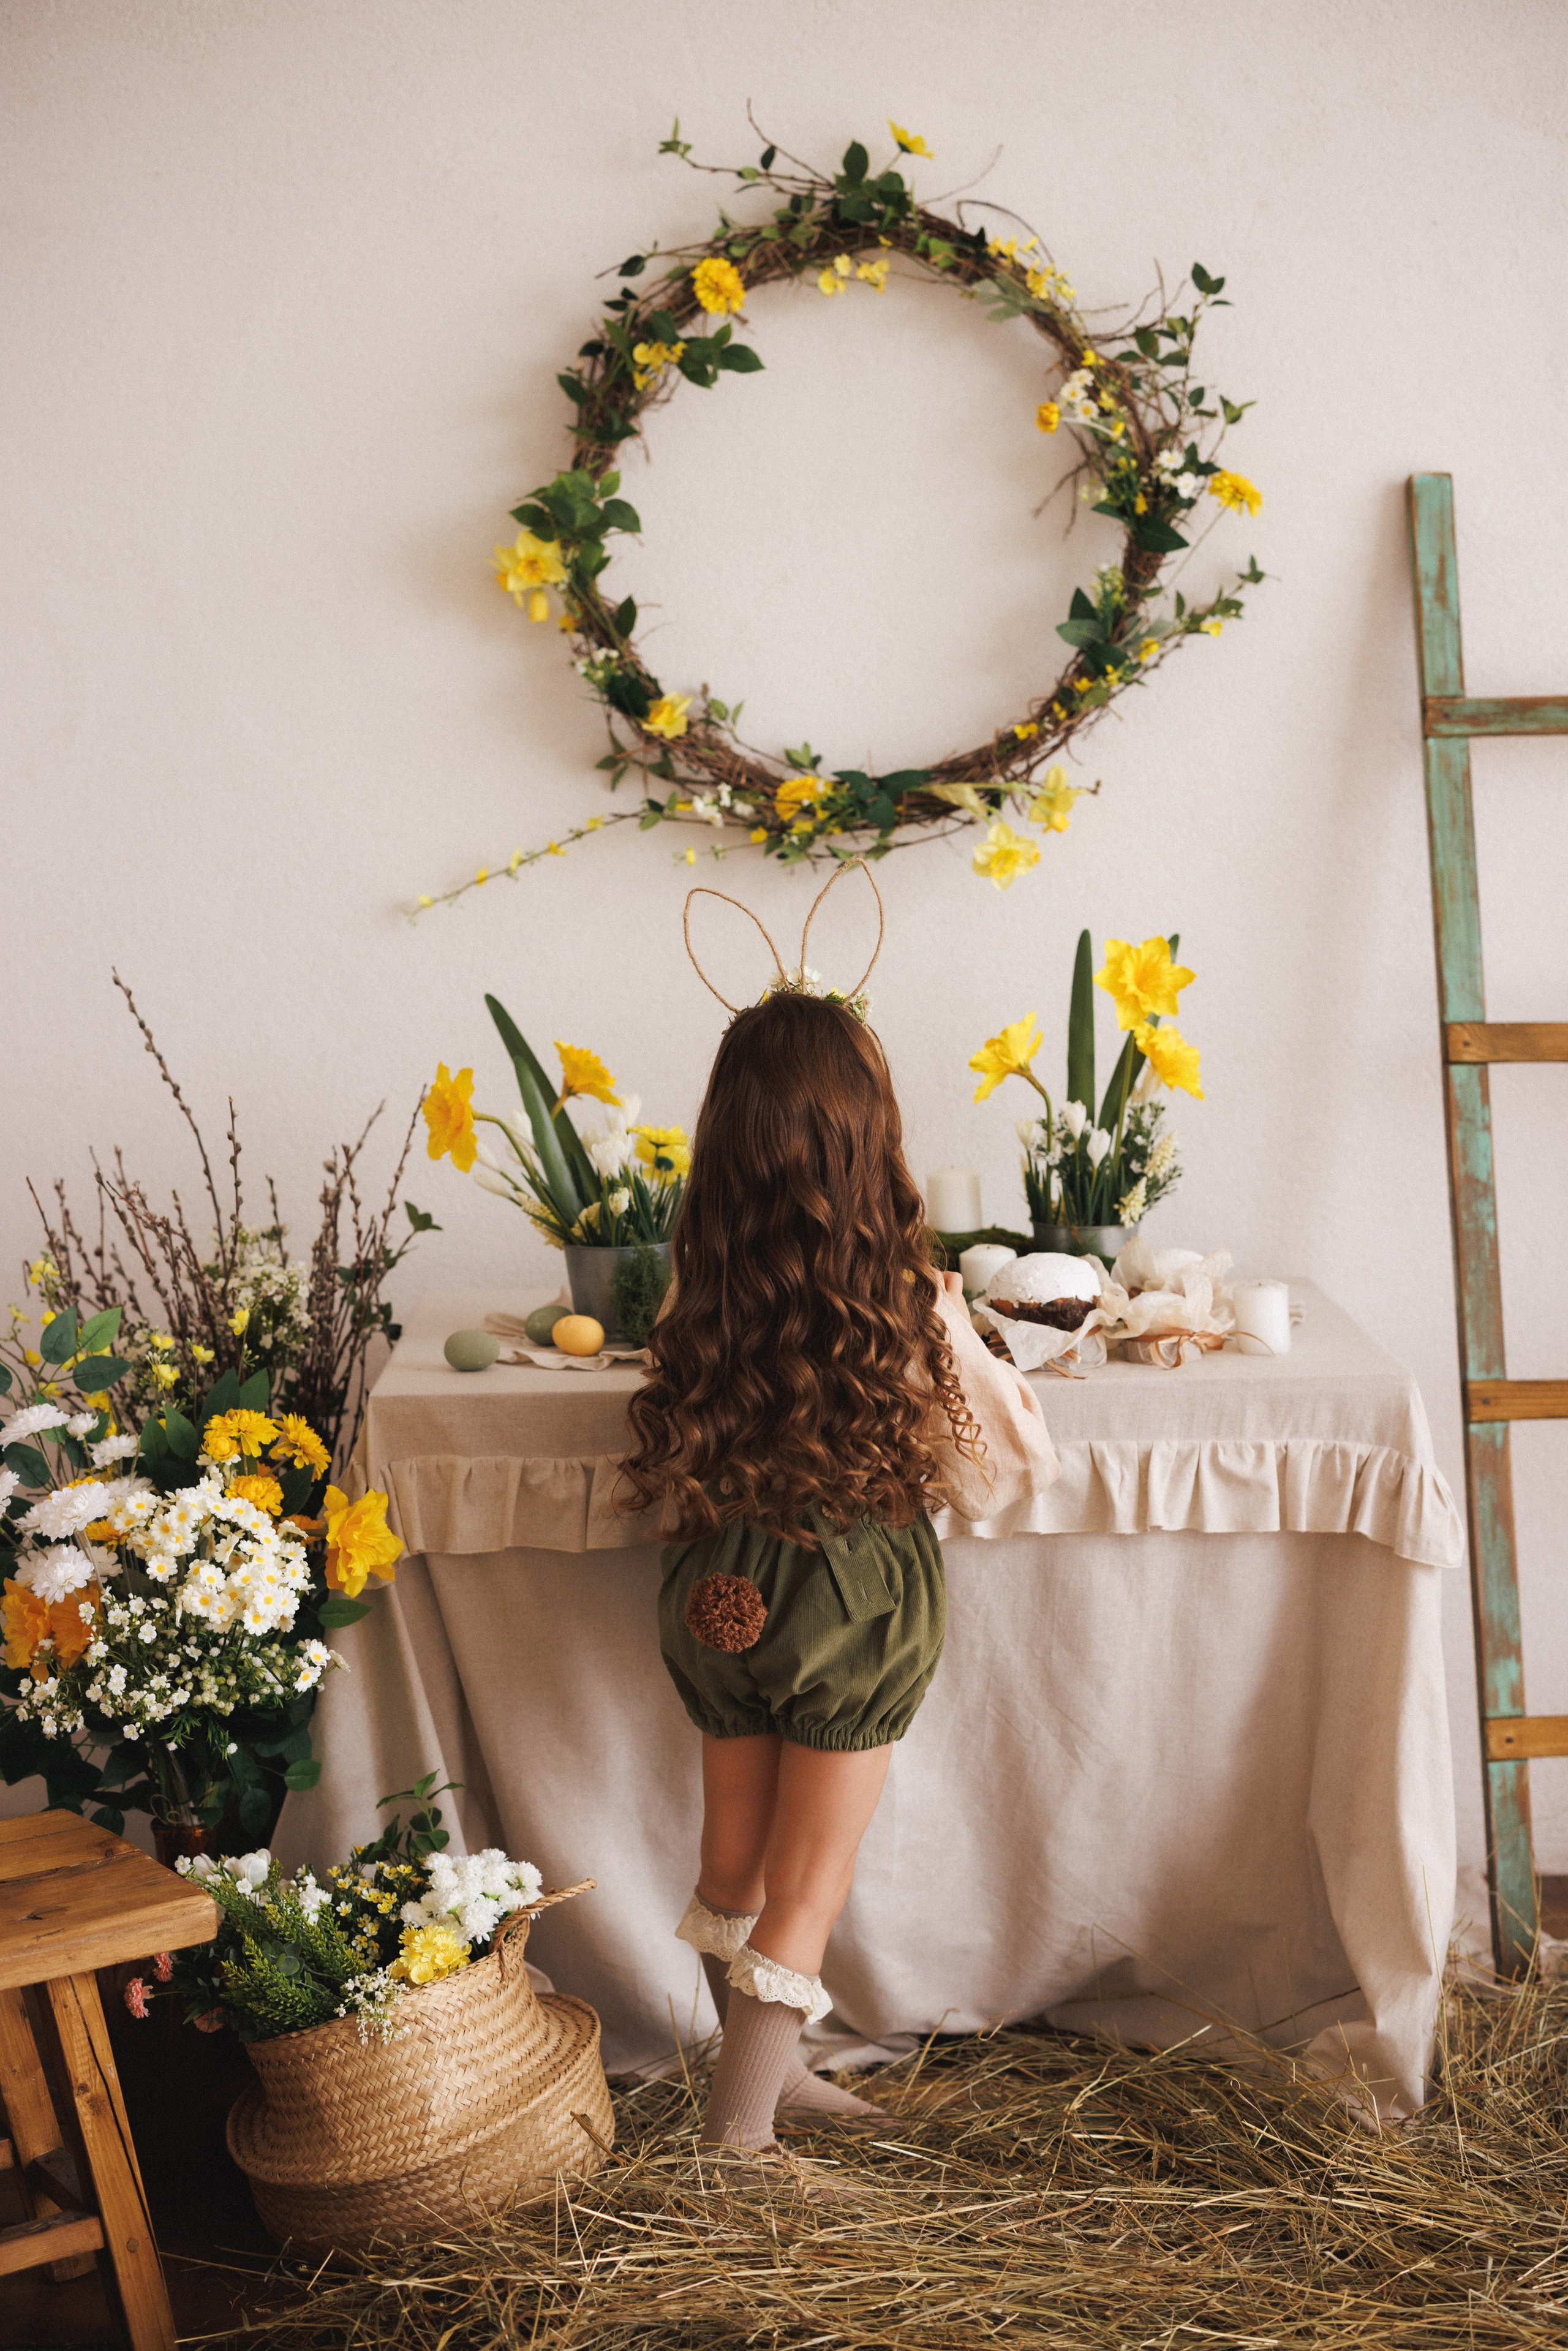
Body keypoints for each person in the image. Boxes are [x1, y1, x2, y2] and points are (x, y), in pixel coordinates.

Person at [622, 893, 1060, 2164]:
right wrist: (975, 1345)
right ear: (867, 1148)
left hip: (717, 1585)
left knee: (734, 1859)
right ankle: (738, 2140)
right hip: (847, 1603)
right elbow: (1000, 1474)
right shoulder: (905, 1304)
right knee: (807, 1888)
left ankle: (776, 2068)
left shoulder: (700, 1292)